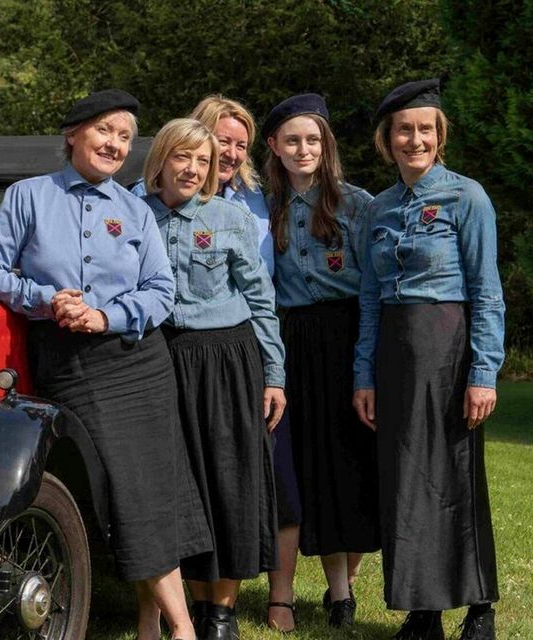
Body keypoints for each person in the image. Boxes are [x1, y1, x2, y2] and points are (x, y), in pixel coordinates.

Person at [0, 90, 213, 640]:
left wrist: (108, 316)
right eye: (105, 131)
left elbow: (161, 291)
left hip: (138, 363)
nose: (114, 144)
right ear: (74, 134)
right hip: (70, 364)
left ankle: (170, 625)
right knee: (125, 493)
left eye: (125, 137)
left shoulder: (133, 209)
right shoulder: (28, 196)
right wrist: (44, 300)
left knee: (153, 489)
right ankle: (175, 624)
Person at [352, 79, 504, 640]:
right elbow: (369, 298)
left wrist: (483, 372)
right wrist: (363, 374)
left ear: (440, 137)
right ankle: (423, 612)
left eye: (425, 130)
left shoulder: (468, 197)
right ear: (386, 140)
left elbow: (487, 290)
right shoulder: (380, 208)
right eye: (403, 130)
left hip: (448, 350)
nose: (414, 140)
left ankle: (480, 608)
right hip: (395, 352)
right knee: (407, 482)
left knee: (456, 477)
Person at [141, 117, 286, 640]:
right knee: (186, 485)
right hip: (162, 360)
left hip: (227, 359)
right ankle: (193, 604)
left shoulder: (228, 217)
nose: (193, 169)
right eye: (184, 157)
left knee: (229, 481)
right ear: (162, 158)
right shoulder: (135, 214)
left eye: (203, 161)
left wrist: (274, 374)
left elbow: (261, 299)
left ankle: (221, 613)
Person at [263, 93, 380, 629]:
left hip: (349, 332)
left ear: (326, 145)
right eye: (292, 140)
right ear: (275, 148)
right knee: (312, 467)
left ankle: (345, 587)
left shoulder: (358, 204)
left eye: (312, 139)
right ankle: (336, 595)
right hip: (296, 340)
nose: (303, 148)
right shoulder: (265, 206)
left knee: (350, 464)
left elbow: (374, 289)